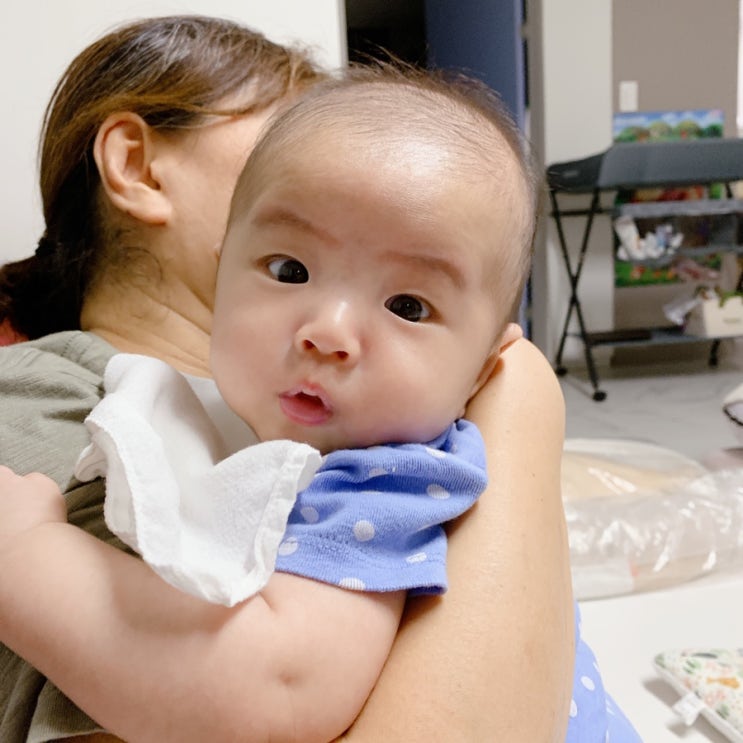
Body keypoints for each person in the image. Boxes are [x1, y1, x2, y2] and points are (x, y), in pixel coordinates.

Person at [0, 12, 616, 743]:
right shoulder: (51, 394)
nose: (328, 329)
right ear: (137, 164)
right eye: (290, 269)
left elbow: (272, 687)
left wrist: (24, 557)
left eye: (408, 305)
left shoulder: (375, 478)